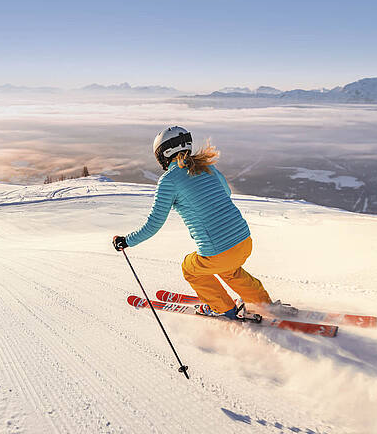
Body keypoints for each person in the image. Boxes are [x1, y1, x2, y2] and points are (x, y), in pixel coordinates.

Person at [113, 126, 272, 319]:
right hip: (244, 242)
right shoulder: (208, 167)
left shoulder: (168, 181)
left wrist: (126, 241)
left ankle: (222, 308)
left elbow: (154, 224)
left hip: (219, 252)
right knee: (229, 270)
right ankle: (263, 303)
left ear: (163, 154)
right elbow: (226, 193)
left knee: (190, 268)